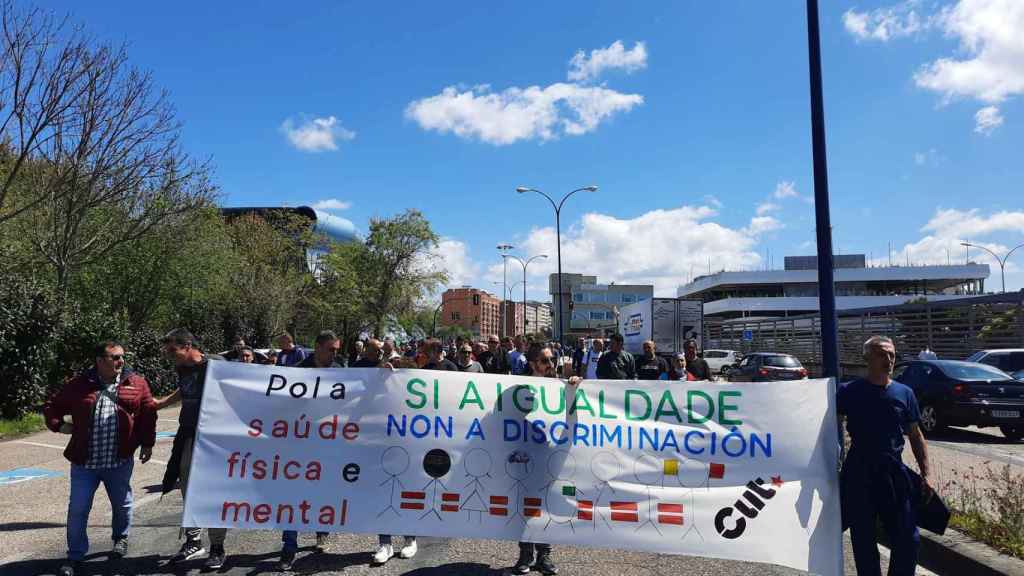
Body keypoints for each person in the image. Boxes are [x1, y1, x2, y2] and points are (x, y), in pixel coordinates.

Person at [45, 341, 157, 576]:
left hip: (119, 461)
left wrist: (148, 443)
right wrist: (59, 425)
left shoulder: (136, 383)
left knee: (122, 504)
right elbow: (52, 406)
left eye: (122, 357)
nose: (121, 361)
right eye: (114, 357)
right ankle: (75, 556)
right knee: (78, 509)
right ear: (99, 360)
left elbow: (148, 413)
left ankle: (120, 539)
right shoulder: (78, 385)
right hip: (85, 463)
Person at [840, 335, 932, 576]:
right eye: (883, 354)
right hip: (859, 469)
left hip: (893, 471)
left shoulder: (905, 393)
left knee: (908, 537)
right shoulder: (849, 391)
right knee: (863, 537)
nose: (889, 359)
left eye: (892, 354)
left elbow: (915, 434)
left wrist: (926, 474)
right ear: (867, 358)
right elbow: (824, 423)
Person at [153, 329, 228, 569]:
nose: (168, 354)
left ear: (187, 345)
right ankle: (193, 541)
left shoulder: (217, 365)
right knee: (188, 488)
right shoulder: (182, 367)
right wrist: (164, 402)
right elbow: (185, 390)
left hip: (214, 439)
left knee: (214, 493)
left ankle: (217, 547)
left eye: (172, 349)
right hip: (187, 434)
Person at [509, 342, 582, 575]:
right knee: (526, 505)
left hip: (550, 454)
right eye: (544, 360)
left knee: (546, 505)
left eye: (552, 360)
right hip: (525, 455)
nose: (550, 365)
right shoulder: (519, 387)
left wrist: (574, 389)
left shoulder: (559, 385)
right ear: (532, 364)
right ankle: (525, 554)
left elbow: (572, 414)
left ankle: (544, 555)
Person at [279, 330, 342, 569]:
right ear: (317, 347)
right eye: (331, 349)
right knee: (293, 494)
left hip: (328, 442)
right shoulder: (298, 372)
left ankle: (322, 528)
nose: (334, 354)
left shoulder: (341, 372)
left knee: (324, 489)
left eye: (336, 350)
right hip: (299, 442)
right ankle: (289, 546)